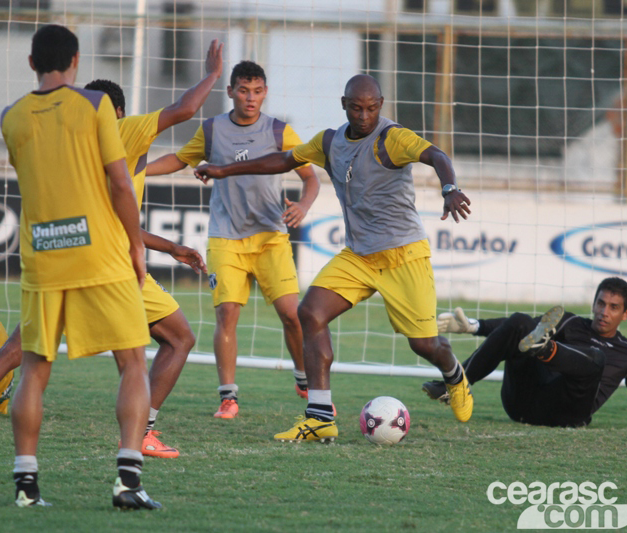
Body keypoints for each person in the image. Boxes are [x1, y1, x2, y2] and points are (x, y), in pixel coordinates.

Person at [0, 40, 224, 459]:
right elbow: (183, 110)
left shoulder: (61, 133)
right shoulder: (123, 130)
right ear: (116, 112)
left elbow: (112, 207)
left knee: (18, 353)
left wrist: (170, 245)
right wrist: (212, 73)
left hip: (57, 255)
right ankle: (137, 447)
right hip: (113, 267)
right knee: (170, 343)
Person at [194, 74, 474, 442]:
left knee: (424, 344)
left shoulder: (392, 138)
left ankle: (454, 374)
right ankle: (320, 415)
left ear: (381, 104)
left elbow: (436, 155)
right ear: (344, 105)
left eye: (372, 108)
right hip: (358, 257)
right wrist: (223, 170)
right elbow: (280, 161)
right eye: (356, 108)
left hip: (403, 256)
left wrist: (450, 188)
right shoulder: (329, 142)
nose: (364, 116)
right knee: (309, 313)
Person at [0, 25, 158, 509]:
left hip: (42, 255)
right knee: (132, 362)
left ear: (31, 63)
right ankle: (127, 483)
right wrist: (136, 245)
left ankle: (26, 489)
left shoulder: (11, 117)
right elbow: (120, 184)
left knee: (33, 369)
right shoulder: (95, 106)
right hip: (100, 254)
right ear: (76, 61)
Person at [146, 60, 320, 419]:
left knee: (292, 315)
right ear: (230, 92)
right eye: (243, 90)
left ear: (265, 92)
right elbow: (179, 159)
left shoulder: (279, 132)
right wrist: (137, 169)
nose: (250, 98)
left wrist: (303, 205)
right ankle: (228, 397)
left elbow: (311, 178)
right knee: (227, 313)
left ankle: (304, 379)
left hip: (271, 235)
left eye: (257, 91)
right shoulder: (212, 131)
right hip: (225, 237)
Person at [422, 277, 627, 427]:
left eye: (613, 307)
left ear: (625, 314)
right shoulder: (571, 321)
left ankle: (545, 347)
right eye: (601, 303)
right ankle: (454, 385)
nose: (604, 312)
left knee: (596, 357)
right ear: (594, 304)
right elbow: (520, 327)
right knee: (521, 321)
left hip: (567, 413)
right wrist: (474, 326)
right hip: (522, 402)